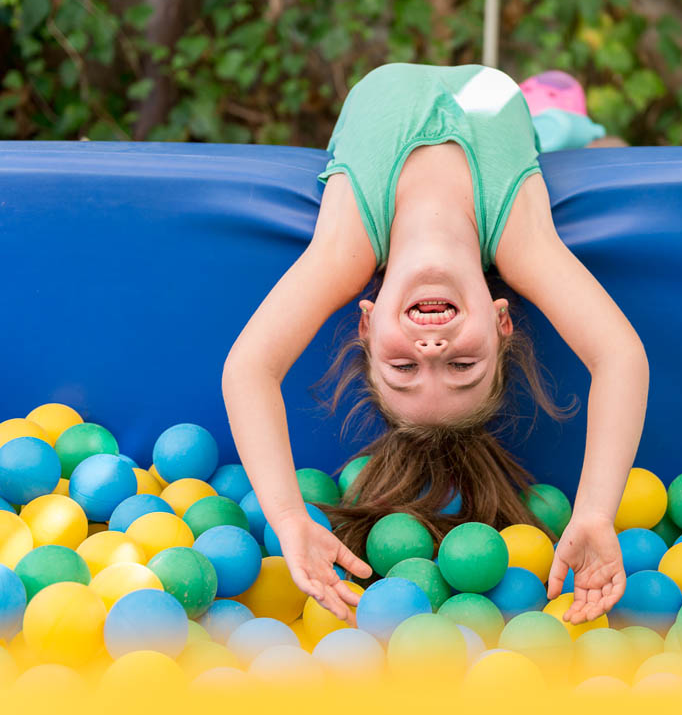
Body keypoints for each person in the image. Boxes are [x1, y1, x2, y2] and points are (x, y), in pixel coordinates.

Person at [222, 63, 648, 628]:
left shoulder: (345, 248)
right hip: (508, 110)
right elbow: (619, 356)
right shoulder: (523, 239)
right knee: (580, 135)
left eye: (402, 366)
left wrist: (288, 517)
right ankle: (573, 125)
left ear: (367, 326)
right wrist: (595, 511)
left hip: (445, 103)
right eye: (462, 365)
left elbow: (250, 367)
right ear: (502, 323)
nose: (430, 349)